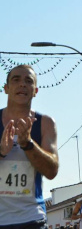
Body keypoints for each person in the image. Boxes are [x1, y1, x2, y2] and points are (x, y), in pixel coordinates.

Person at [0, 65, 58, 228]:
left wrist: (28, 145)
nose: (22, 84)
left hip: (32, 218)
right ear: (6, 88)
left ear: (35, 90)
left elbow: (52, 171)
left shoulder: (45, 123)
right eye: (16, 80)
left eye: (28, 81)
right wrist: (1, 152)